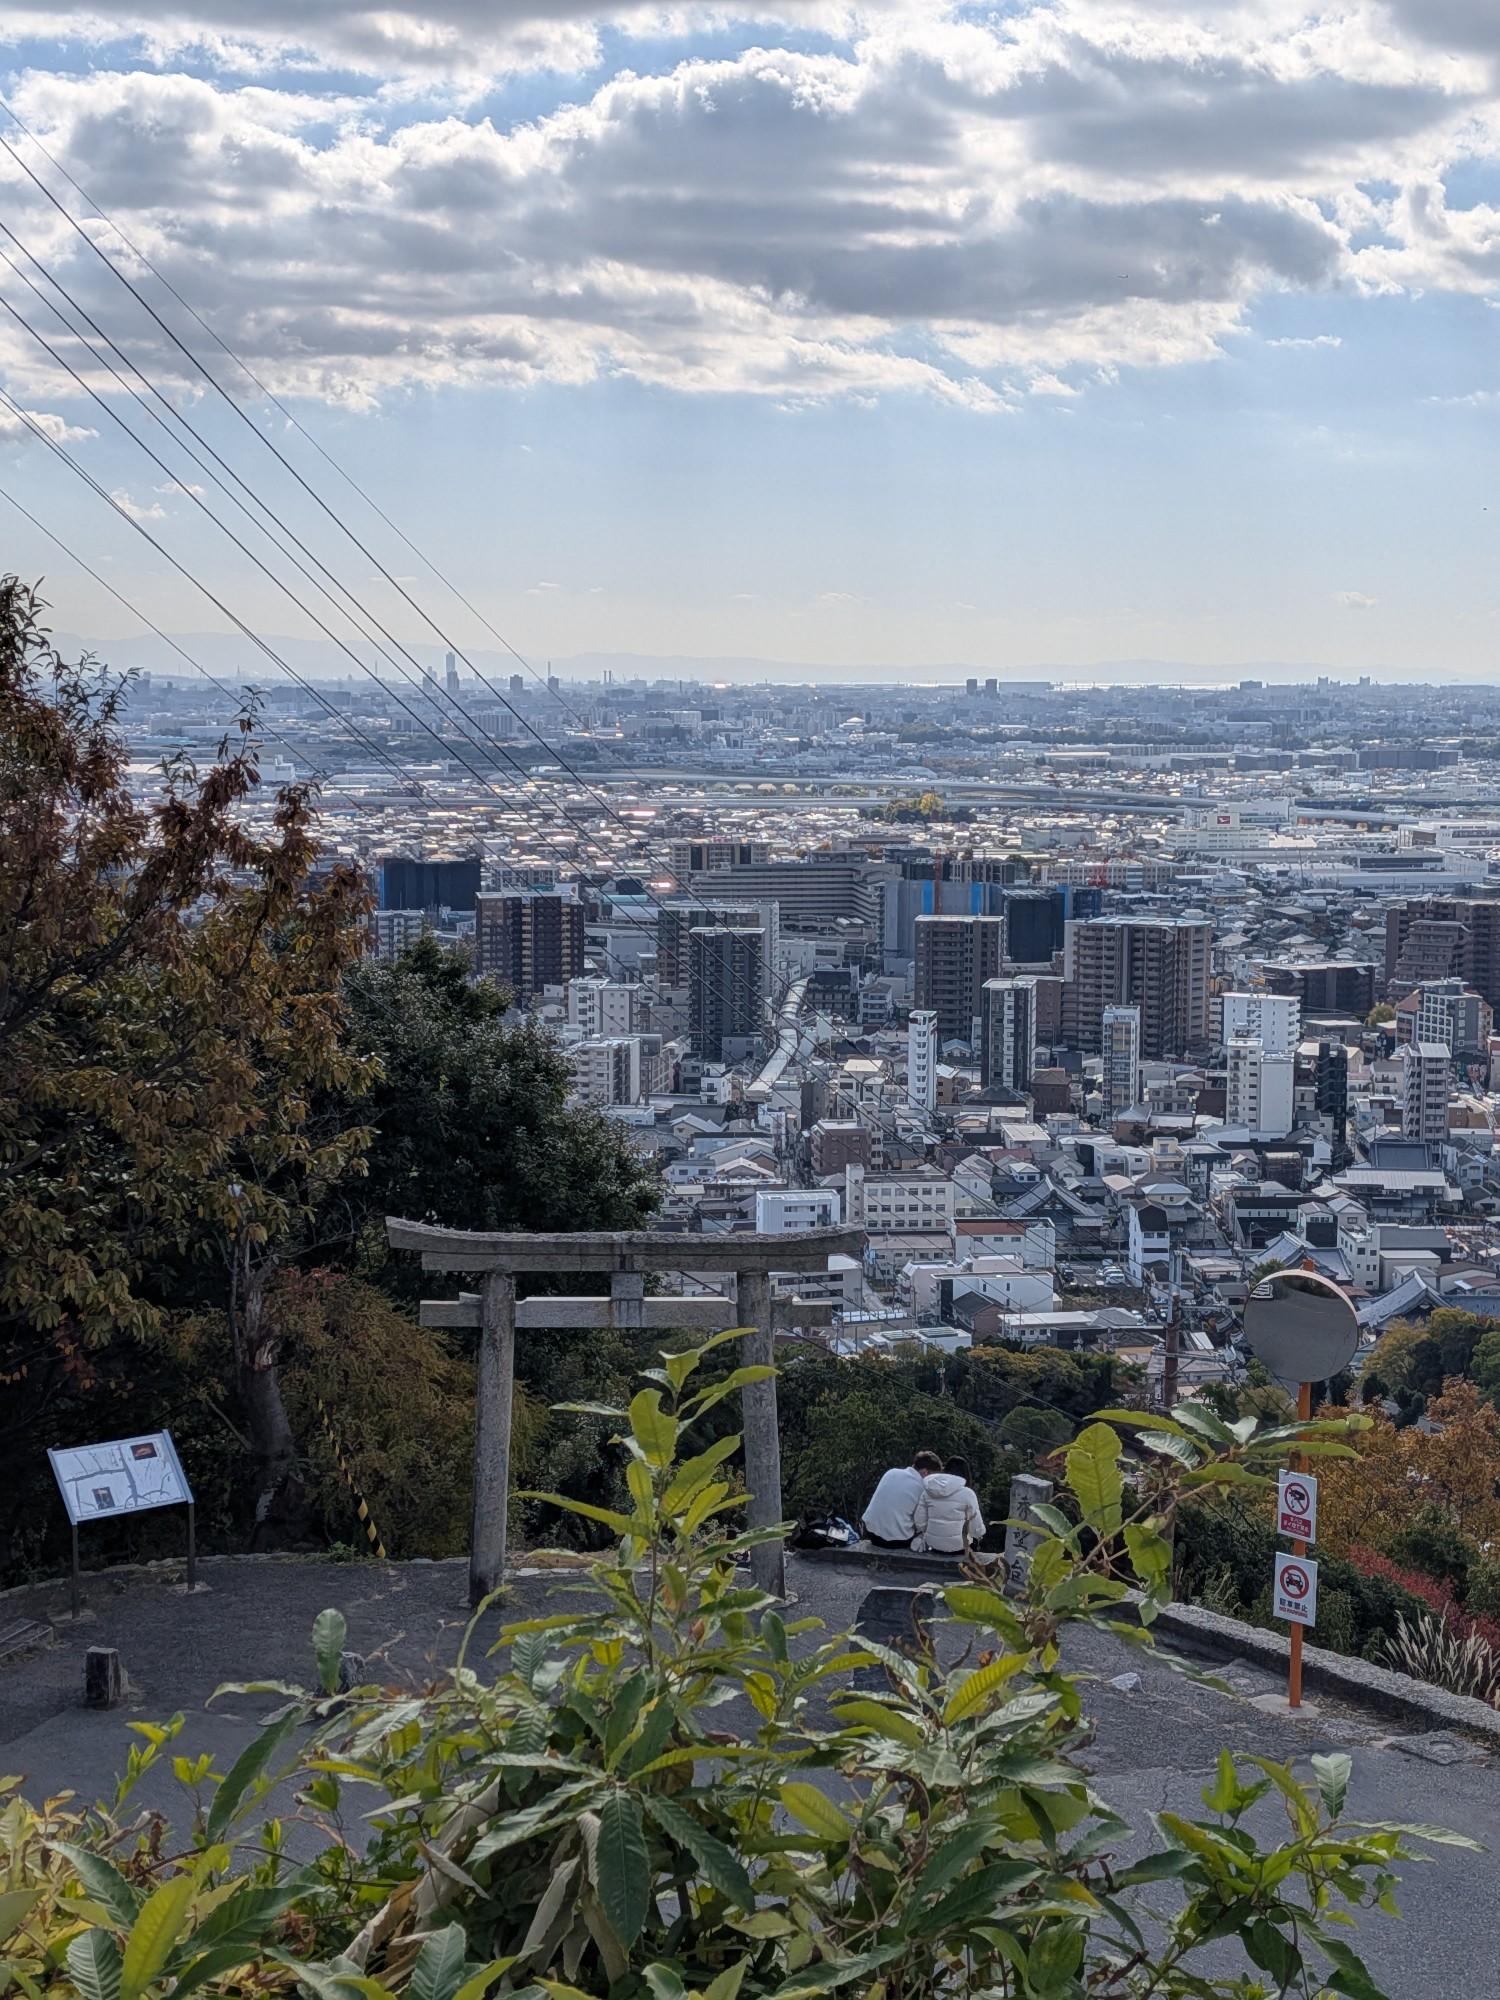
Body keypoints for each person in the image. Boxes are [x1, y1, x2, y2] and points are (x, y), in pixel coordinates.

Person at [860, 1450, 942, 1549]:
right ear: (925, 1472)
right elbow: (921, 1523)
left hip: (870, 1532)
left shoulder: (891, 1472)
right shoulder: (923, 1489)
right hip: (896, 1541)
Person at [912, 1454, 985, 1556]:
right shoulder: (968, 1494)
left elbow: (919, 1523)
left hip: (933, 1545)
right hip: (959, 1548)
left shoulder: (928, 1491)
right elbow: (977, 1530)